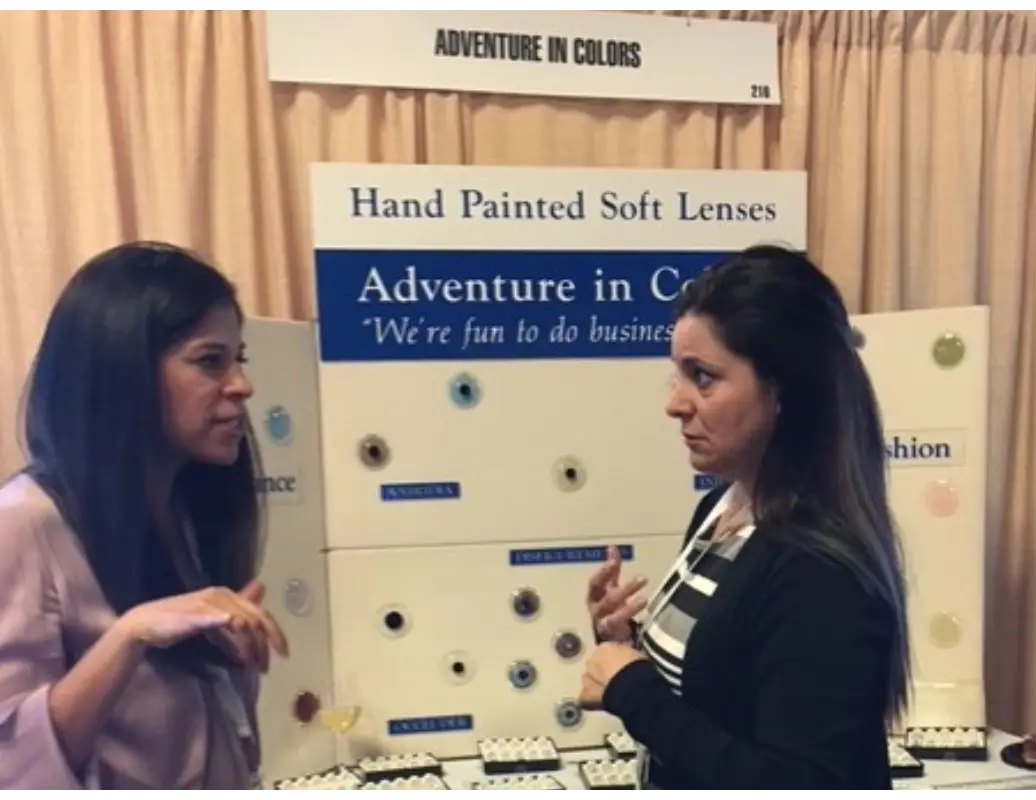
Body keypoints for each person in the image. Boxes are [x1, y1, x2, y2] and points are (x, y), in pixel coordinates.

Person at [578, 245, 910, 792]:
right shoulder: (720, 508)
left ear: (782, 391)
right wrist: (626, 642)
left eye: (702, 377)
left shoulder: (819, 569)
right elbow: (718, 695)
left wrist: (631, 687)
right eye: (677, 374)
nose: (675, 403)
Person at [0, 242, 289, 791]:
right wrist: (129, 638)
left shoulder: (186, 513)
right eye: (210, 361)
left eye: (239, 359)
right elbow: (12, 765)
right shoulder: (22, 525)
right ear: (122, 370)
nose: (242, 385)